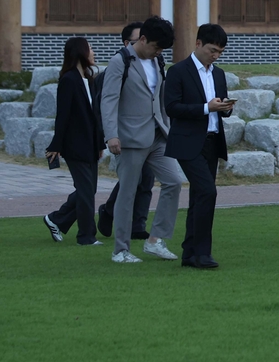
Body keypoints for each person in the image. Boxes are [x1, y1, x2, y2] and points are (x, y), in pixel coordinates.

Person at [99, 16, 185, 264]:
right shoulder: (120, 61)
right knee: (127, 194)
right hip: (129, 138)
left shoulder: (157, 59)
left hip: (158, 134)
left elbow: (159, 96)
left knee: (173, 182)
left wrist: (168, 126)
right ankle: (120, 250)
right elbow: (109, 99)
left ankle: (155, 240)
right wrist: (111, 135)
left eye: (162, 49)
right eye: (156, 47)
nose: (158, 52)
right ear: (143, 39)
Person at [163, 23, 235, 270]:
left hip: (213, 142)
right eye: (212, 50)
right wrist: (207, 107)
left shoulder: (218, 74)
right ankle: (203, 253)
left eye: (220, 52)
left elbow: (220, 108)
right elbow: (171, 108)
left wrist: (226, 107)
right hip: (187, 142)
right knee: (207, 192)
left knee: (199, 196)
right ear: (198, 44)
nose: (215, 55)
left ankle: (190, 253)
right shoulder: (178, 71)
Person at [42, 37, 104, 246]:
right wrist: (56, 146)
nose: (94, 52)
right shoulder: (68, 80)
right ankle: (86, 236)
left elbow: (94, 117)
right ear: (80, 52)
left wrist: (100, 144)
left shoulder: (88, 79)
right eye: (91, 49)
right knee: (86, 191)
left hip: (91, 144)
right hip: (75, 145)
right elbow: (63, 116)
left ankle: (56, 219)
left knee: (89, 190)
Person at [96, 22, 155, 240]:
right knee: (132, 181)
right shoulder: (118, 66)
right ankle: (110, 211)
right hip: (126, 136)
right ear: (127, 43)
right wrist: (109, 135)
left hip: (150, 133)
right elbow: (104, 104)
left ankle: (138, 225)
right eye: (138, 40)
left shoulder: (154, 64)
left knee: (147, 180)